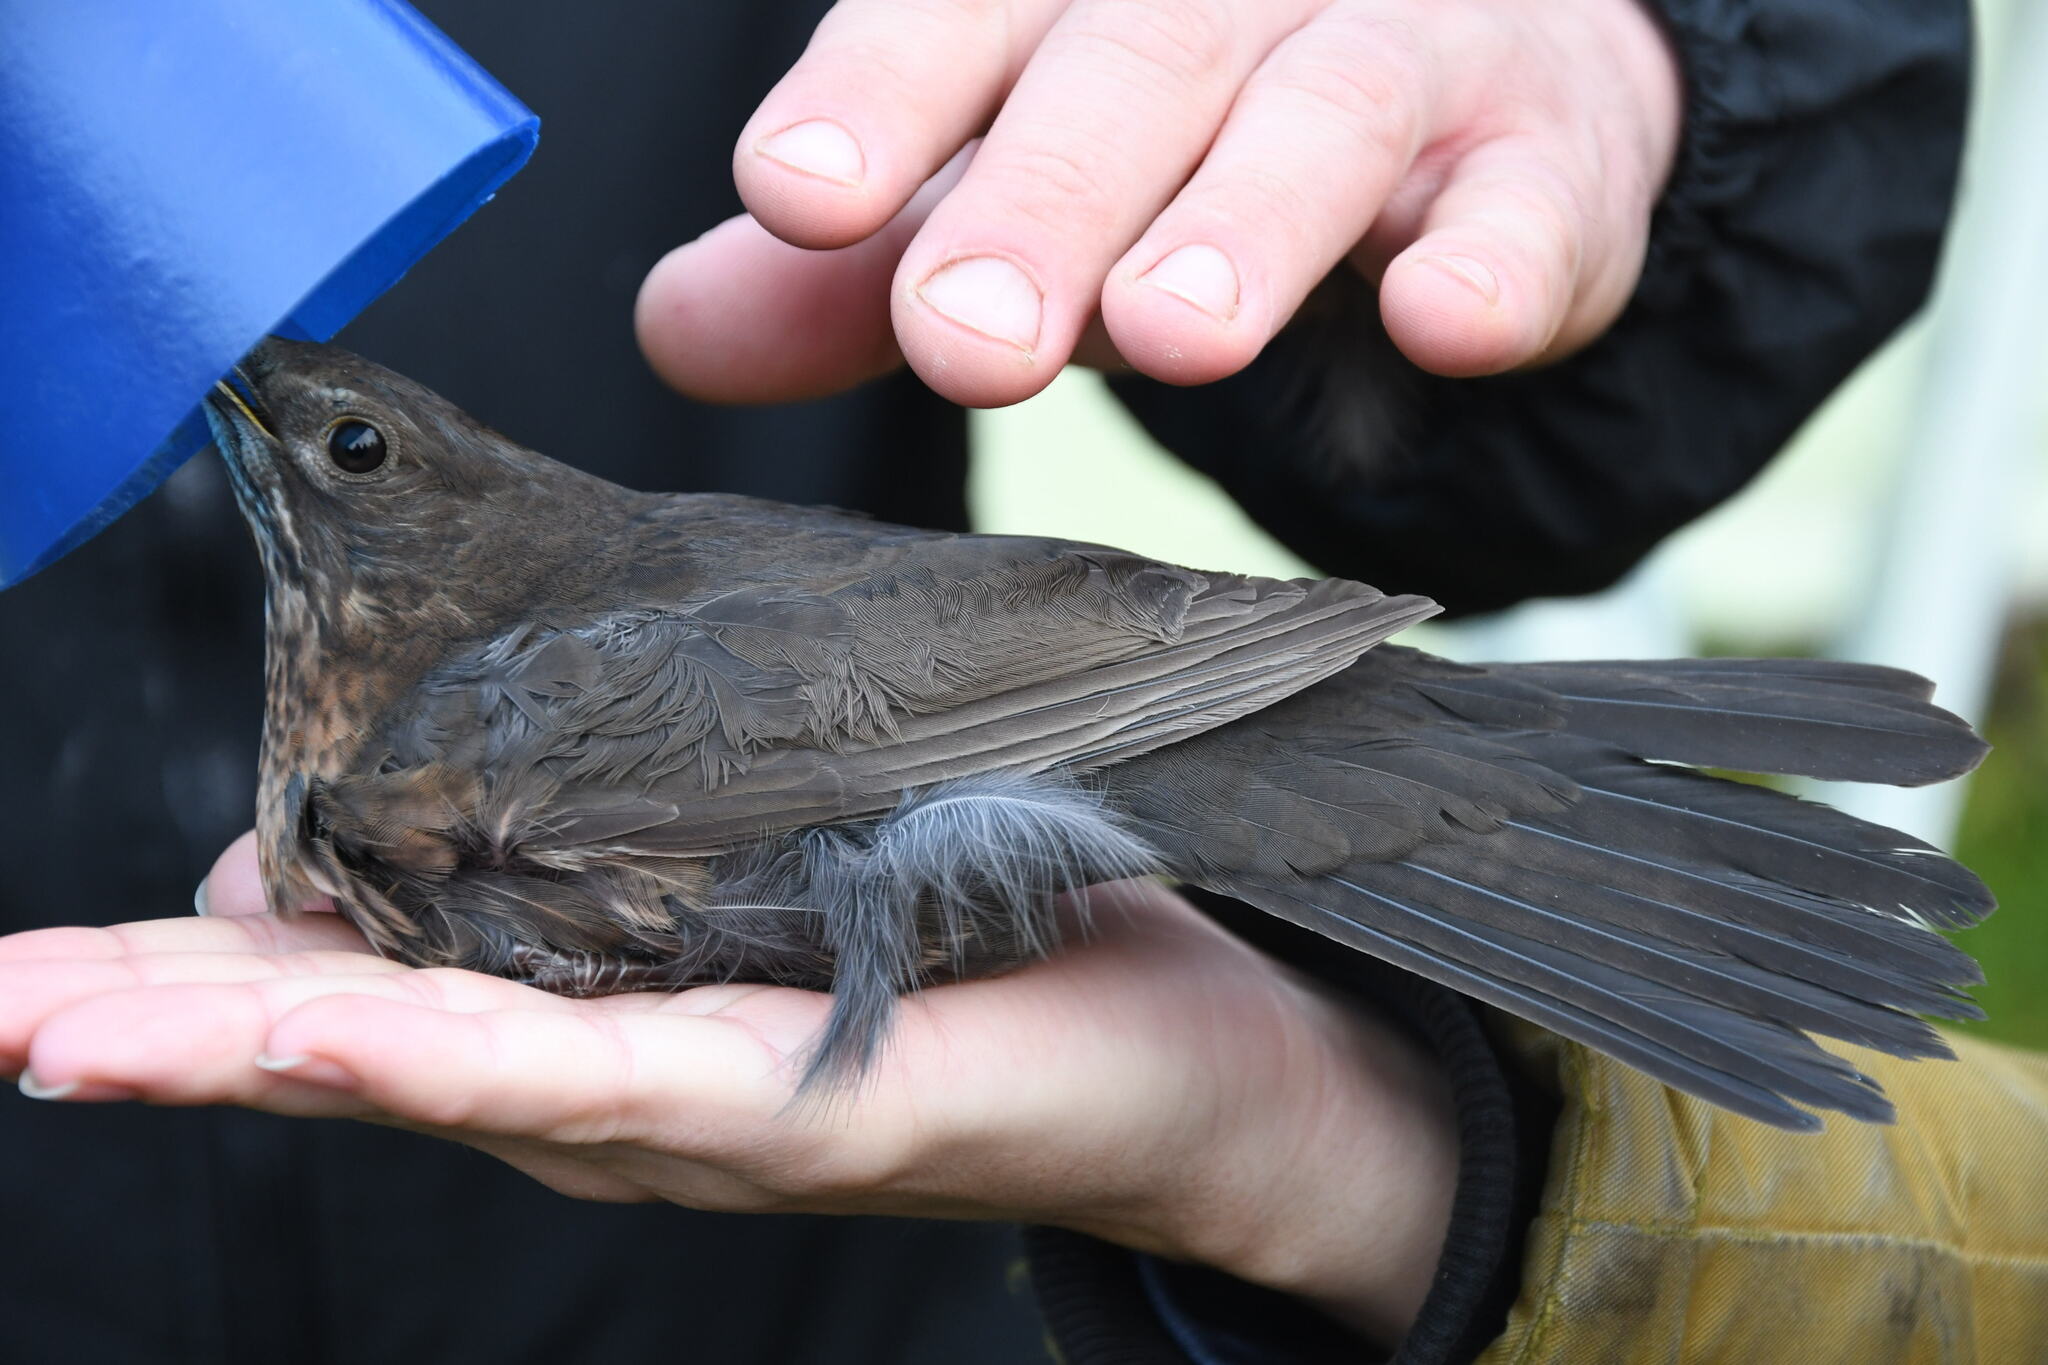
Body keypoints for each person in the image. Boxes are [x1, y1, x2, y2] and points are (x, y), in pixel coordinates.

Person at [6, 1, 2041, 1361]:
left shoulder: (451, 725)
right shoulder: (452, 687)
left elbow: (1493, 436)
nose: (278, 428)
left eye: (353, 451)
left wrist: (1649, 48)